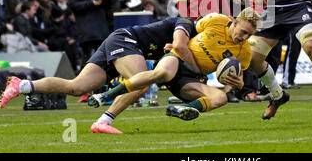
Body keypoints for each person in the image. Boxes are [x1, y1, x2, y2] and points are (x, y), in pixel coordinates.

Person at [0, 16, 199, 132]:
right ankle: (103, 121)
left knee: (77, 87)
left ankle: (22, 85)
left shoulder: (197, 40)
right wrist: (199, 73)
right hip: (126, 41)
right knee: (141, 84)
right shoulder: (187, 23)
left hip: (119, 42)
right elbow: (180, 46)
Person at [89, 9, 259, 122]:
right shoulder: (216, 21)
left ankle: (182, 109)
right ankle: (106, 95)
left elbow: (238, 80)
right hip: (177, 59)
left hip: (191, 78)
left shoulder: (244, 52)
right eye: (243, 32)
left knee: (221, 98)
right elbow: (192, 30)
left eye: (249, 35)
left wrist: (239, 85)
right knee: (162, 73)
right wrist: (174, 43)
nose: (244, 37)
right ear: (235, 22)